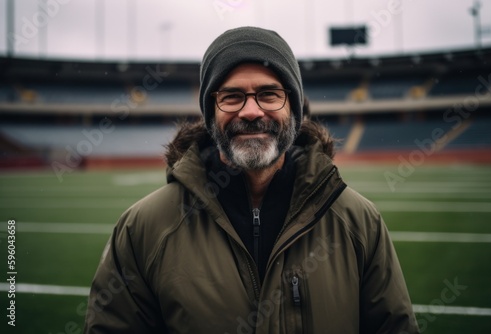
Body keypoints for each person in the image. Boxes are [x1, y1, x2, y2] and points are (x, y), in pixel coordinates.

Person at [84, 26, 419, 333]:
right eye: (231, 96)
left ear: (294, 108)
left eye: (269, 94)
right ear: (211, 112)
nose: (251, 111)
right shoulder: (143, 228)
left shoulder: (359, 221)